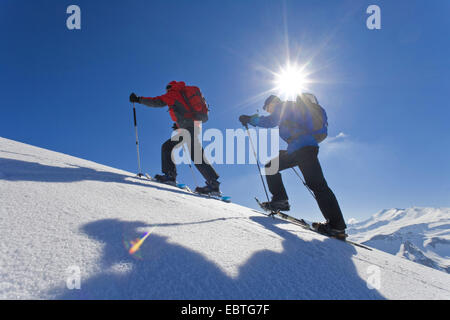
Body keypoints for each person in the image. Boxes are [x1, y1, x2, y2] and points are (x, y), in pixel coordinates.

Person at [239, 94, 347, 238]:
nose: (268, 110)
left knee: (317, 185)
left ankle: (336, 226)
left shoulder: (283, 106)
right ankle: (281, 200)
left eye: (267, 107)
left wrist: (249, 119)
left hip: (303, 149)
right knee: (272, 165)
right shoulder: (291, 108)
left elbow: (270, 121)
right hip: (300, 149)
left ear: (272, 103)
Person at [130, 81, 221, 195]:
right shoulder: (182, 93)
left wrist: (138, 99)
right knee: (195, 154)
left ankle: (170, 176)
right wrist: (178, 125)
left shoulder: (173, 93)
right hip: (193, 127)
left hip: (188, 128)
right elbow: (185, 111)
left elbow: (156, 101)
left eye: (167, 88)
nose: (166, 90)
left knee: (168, 147)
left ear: (170, 87)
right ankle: (213, 184)